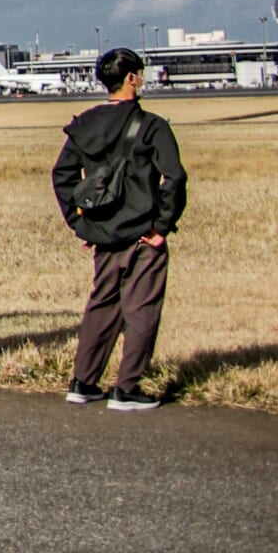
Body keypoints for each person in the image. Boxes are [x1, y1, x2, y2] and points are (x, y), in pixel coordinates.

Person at [52, 48, 188, 410]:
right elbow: (174, 177)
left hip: (102, 234)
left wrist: (80, 223)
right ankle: (126, 388)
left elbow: (62, 175)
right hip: (143, 234)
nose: (143, 78)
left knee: (102, 305)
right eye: (141, 72)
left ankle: (83, 382)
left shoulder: (84, 123)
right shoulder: (153, 126)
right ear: (131, 78)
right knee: (141, 308)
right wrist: (162, 226)